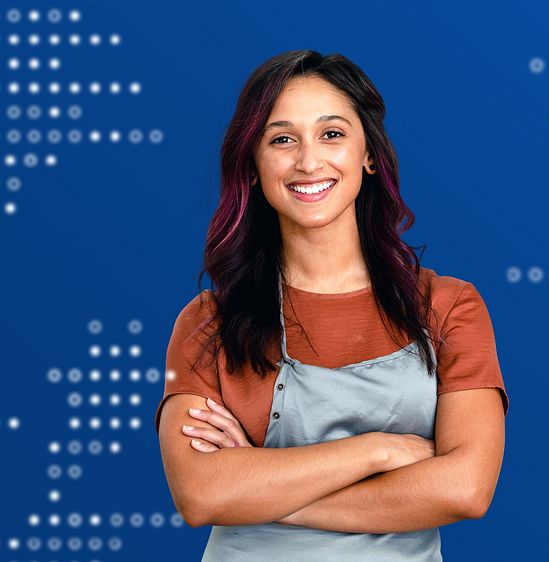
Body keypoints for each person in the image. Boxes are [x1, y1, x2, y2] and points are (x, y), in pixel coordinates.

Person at [154, 50, 508, 561]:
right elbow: (201, 495)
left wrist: (259, 485)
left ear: (369, 155)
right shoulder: (209, 322)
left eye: (332, 134)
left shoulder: (449, 308)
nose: (308, 161)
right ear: (253, 166)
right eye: (281, 139)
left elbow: (464, 490)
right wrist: (379, 451)